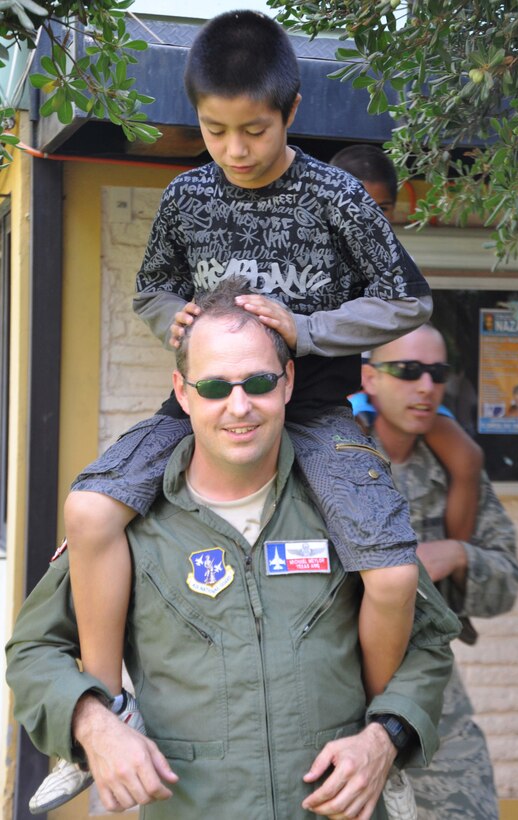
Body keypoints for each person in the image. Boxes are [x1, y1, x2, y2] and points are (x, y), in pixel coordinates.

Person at [28, 11, 434, 812]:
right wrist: (171, 318)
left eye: (252, 129)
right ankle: (105, 712)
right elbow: (152, 288)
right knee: (90, 509)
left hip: (313, 408)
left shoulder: (335, 194)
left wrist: (311, 330)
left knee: (389, 572)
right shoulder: (186, 196)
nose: (235, 150)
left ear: (289, 113)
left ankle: (385, 753)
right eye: (215, 131)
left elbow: (405, 298)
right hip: (206, 407)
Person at [6, 286, 461, 819]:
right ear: (182, 391)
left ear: (288, 383)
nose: (239, 406)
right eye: (216, 386)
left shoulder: (347, 507)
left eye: (260, 383)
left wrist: (385, 738)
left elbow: (429, 639)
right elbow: (34, 650)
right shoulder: (125, 518)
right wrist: (93, 722)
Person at [360, 323, 518, 820]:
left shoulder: (454, 467)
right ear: (370, 379)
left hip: (435, 705)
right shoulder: (335, 461)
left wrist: (456, 554)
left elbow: (506, 580)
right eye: (408, 371)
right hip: (341, 696)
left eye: (437, 373)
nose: (426, 387)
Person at [330, 142, 484, 544]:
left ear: (394, 212)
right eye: (356, 205)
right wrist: (360, 402)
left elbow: (412, 343)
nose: (368, 218)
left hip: (393, 391)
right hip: (342, 397)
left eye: (380, 208)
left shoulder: (397, 270)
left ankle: (453, 561)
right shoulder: (318, 267)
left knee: (467, 458)